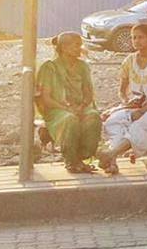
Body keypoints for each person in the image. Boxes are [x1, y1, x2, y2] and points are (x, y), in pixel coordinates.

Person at [97, 23, 147, 175]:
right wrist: (126, 102)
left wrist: (142, 110)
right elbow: (122, 90)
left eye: (140, 37)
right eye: (133, 38)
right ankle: (112, 161)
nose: (136, 41)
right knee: (113, 121)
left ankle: (111, 154)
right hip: (136, 105)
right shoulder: (129, 61)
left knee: (139, 126)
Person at [36, 31, 102, 174]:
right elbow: (46, 99)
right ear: (64, 48)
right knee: (70, 119)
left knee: (93, 117)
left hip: (80, 106)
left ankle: (83, 158)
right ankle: (71, 161)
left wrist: (82, 106)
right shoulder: (50, 67)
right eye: (76, 46)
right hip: (57, 109)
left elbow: (88, 93)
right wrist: (67, 108)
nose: (80, 48)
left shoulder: (82, 66)